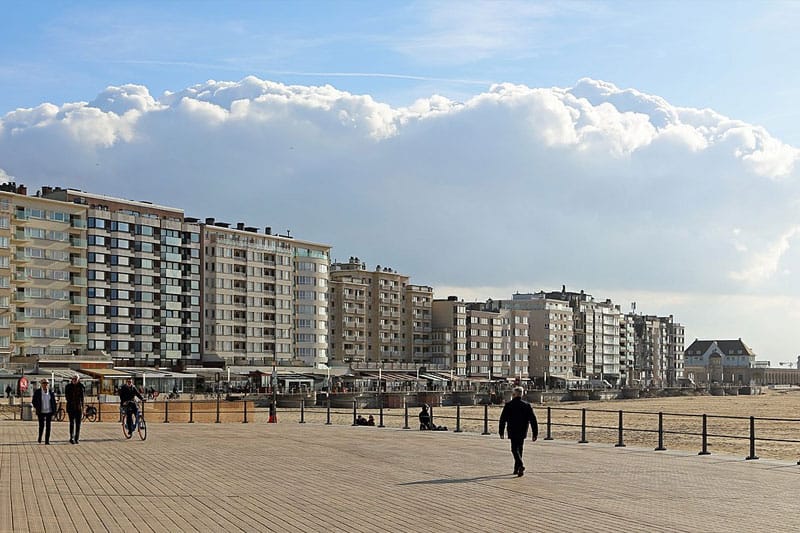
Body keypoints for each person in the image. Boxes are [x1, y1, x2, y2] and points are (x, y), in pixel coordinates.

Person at [499, 386, 538, 477]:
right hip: (523, 429)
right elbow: (533, 420)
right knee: (519, 448)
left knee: (514, 449)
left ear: (513, 394)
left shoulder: (509, 405)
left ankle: (520, 465)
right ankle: (517, 469)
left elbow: (502, 419)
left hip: (512, 429)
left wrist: (501, 431)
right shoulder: (526, 405)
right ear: (522, 394)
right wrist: (535, 433)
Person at [32, 379, 57, 444]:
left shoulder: (51, 392)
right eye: (44, 383)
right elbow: (34, 401)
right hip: (41, 411)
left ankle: (47, 440)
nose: (45, 385)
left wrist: (54, 411)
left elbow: (53, 402)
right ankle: (40, 437)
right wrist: (37, 407)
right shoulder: (38, 392)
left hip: (49, 411)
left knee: (48, 426)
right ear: (41, 384)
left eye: (46, 383)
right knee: (41, 425)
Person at [64, 374, 85, 444]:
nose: (74, 380)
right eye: (73, 379)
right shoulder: (68, 387)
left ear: (78, 380)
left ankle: (77, 438)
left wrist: (83, 407)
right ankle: (71, 437)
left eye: (76, 379)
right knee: (72, 423)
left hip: (78, 408)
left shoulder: (81, 387)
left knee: (78, 424)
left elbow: (82, 398)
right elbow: (67, 397)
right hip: (71, 407)